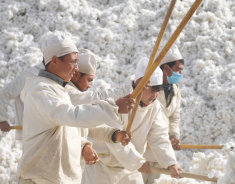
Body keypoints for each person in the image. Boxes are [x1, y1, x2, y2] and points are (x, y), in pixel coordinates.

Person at [17, 34, 133, 184]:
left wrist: (112, 134)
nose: (76, 68)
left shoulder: (59, 90)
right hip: (40, 179)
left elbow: (69, 129)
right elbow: (73, 116)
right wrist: (114, 108)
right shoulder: (41, 91)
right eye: (73, 62)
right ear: (55, 61)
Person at [82, 57, 184, 184]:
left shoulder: (154, 106)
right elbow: (114, 139)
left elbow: (159, 136)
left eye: (158, 91)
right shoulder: (119, 100)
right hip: (101, 167)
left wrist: (170, 163)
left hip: (129, 169)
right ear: (141, 86)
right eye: (152, 90)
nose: (155, 96)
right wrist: (138, 162)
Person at [142, 45, 184, 184]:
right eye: (178, 70)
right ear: (166, 68)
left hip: (162, 152)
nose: (180, 74)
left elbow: (174, 116)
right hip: (144, 150)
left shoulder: (175, 90)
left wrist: (174, 135)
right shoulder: (148, 88)